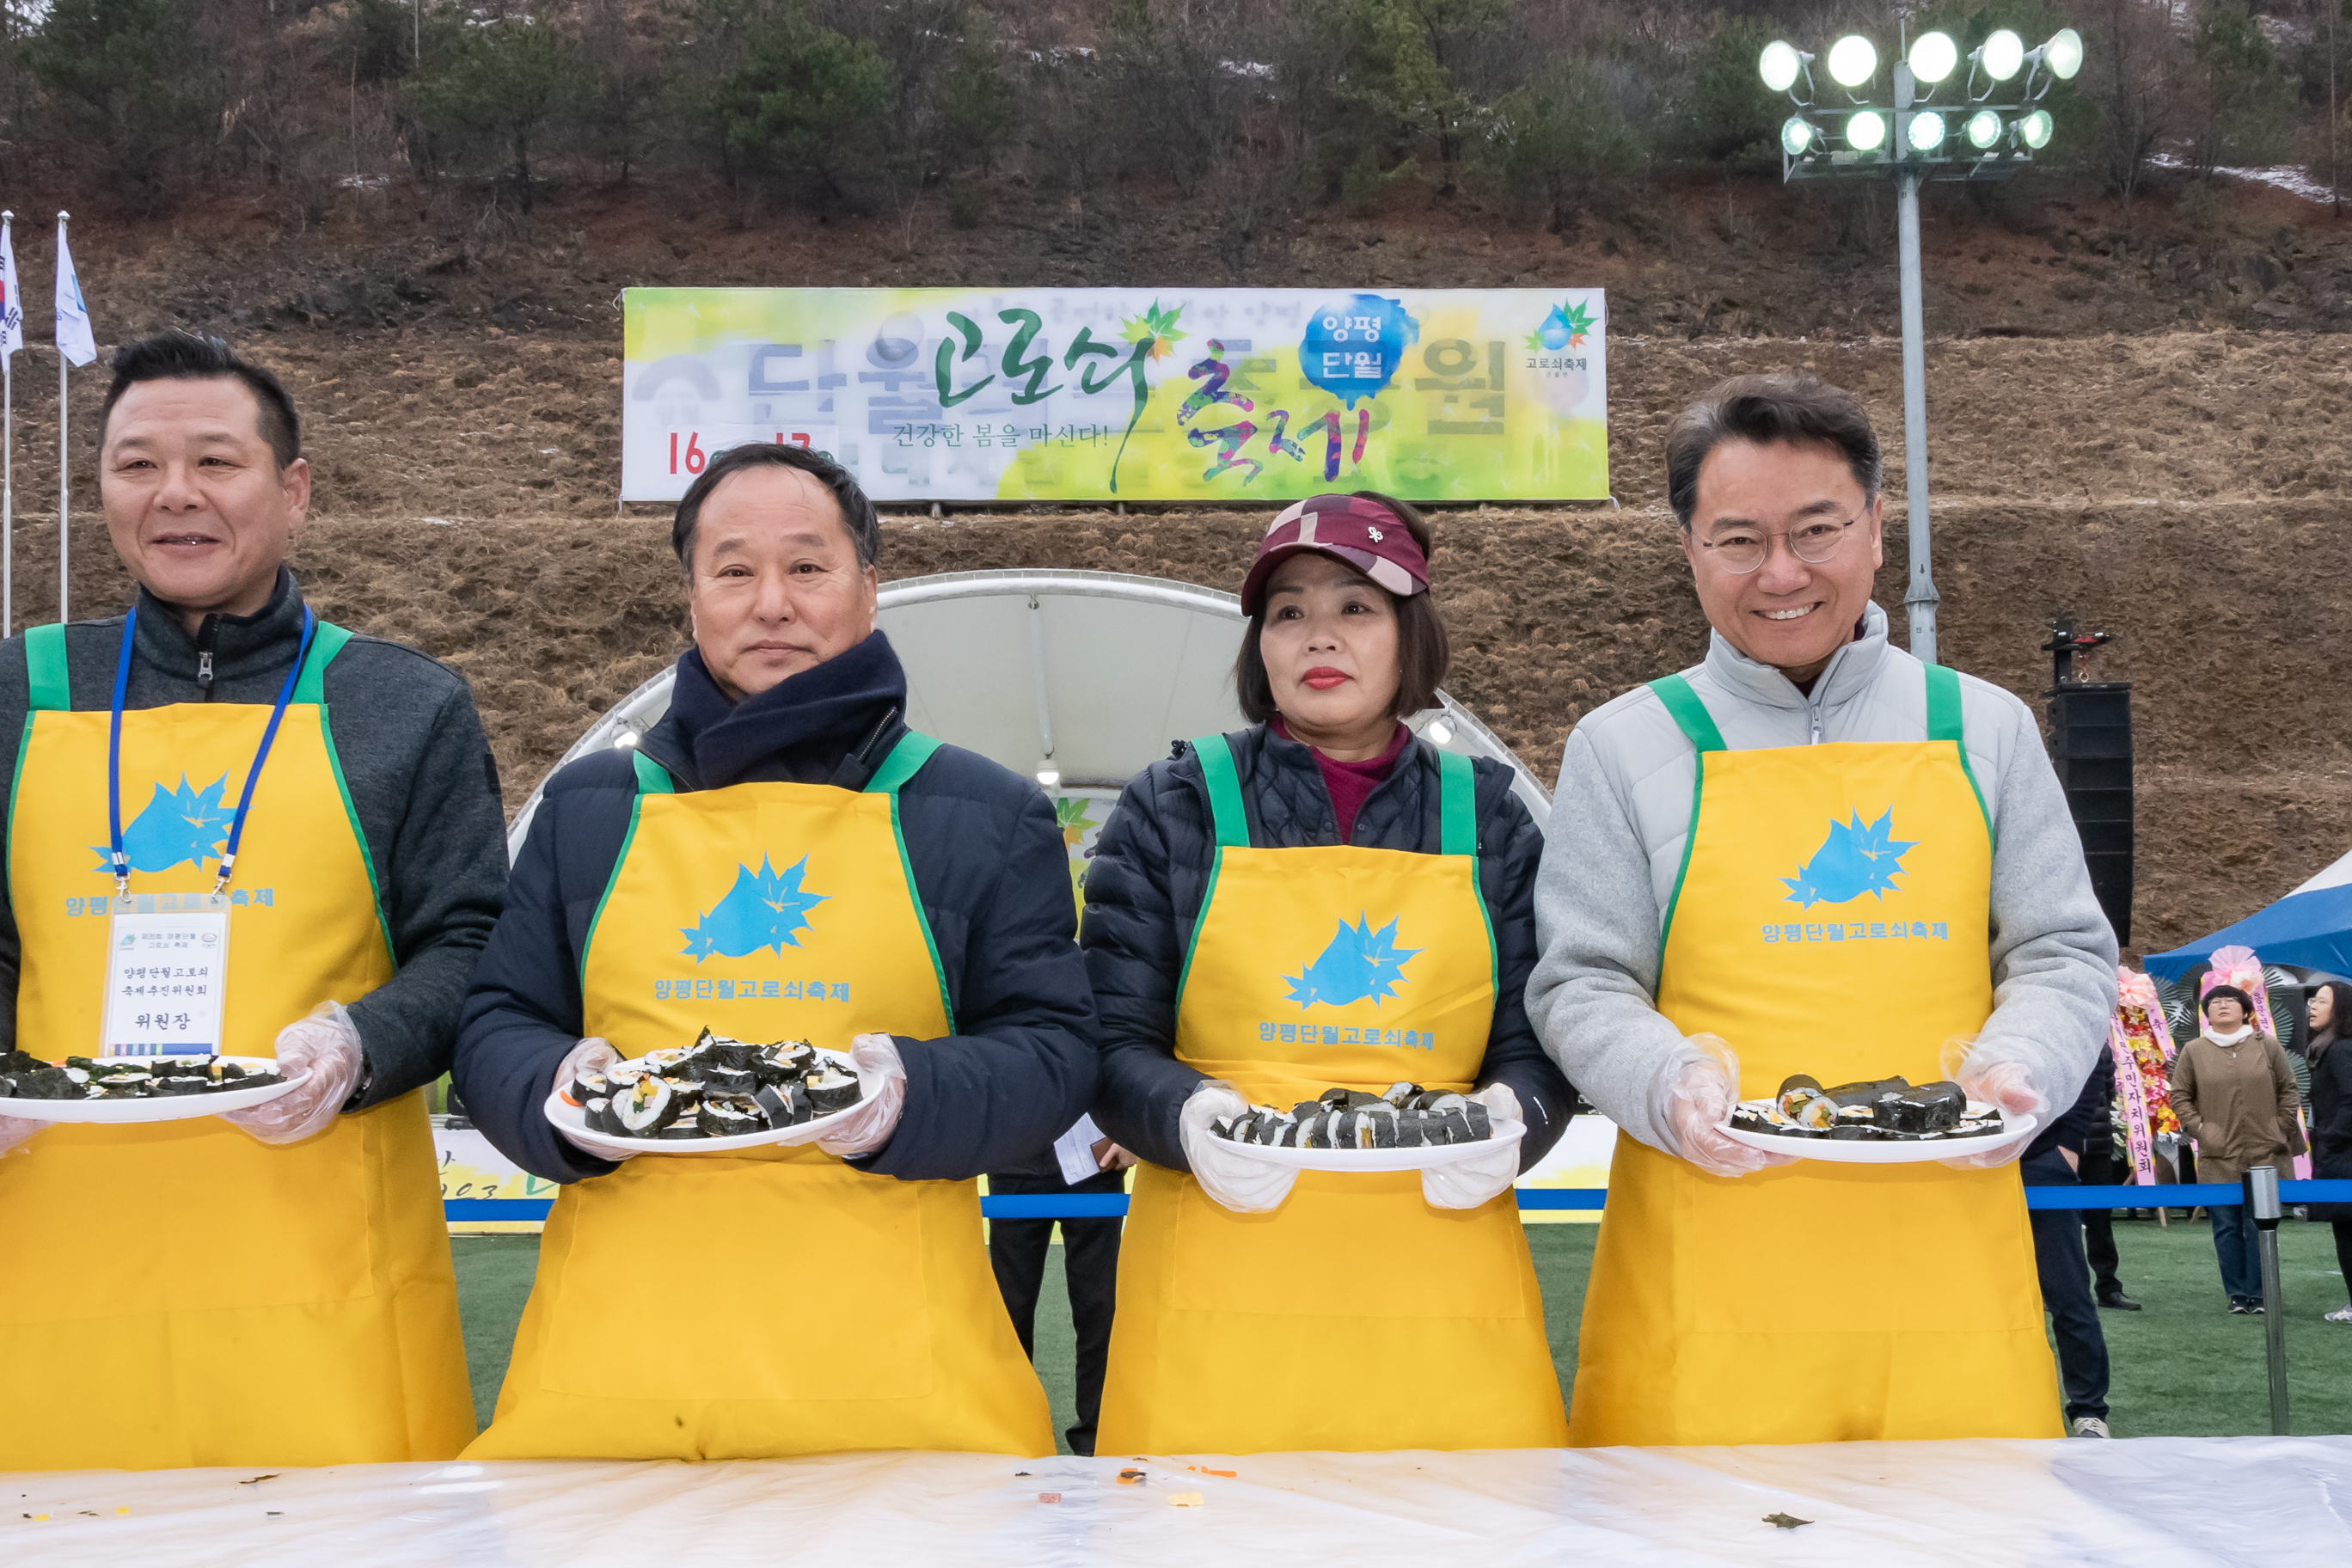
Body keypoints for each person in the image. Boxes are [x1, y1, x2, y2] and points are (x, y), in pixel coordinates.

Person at [452, 440, 1093, 1460]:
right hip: (614, 1385)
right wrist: (555, 1090)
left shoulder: (979, 810)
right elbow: (495, 1021)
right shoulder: (594, 808)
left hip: (899, 1390)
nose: (771, 604)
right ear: (692, 600)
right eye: (734, 570)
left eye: (807, 567)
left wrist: (911, 1093)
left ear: (869, 591)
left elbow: (1057, 1047)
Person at [1528, 374, 2119, 1446]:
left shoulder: (1980, 728)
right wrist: (1669, 1086)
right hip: (1705, 1289)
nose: (1784, 573)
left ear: (1878, 529)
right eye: (1740, 539)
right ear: (1689, 551)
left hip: (1948, 1280)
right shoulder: (1623, 744)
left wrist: (2021, 1063)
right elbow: (1581, 980)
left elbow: (2063, 951)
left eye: (1817, 530)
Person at [0, 332, 505, 1468]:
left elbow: (474, 940)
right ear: (102, 490)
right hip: (56, 1259)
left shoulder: (402, 702)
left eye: (216, 463)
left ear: (294, 491)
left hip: (328, 1274)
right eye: (138, 466)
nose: (175, 495)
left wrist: (358, 1042)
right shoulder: (21, 690)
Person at [1087, 492, 1577, 1455]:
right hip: (1219, 1297)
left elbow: (1538, 1038)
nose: (1322, 636)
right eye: (1289, 612)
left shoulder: (1488, 817)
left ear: (1410, 634)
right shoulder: (1172, 805)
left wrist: (1520, 1117)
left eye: (1356, 607)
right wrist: (1186, 1118)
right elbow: (1108, 1041)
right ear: (1258, 646)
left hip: (1443, 1286)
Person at [985, 1114, 1133, 1455]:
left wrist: (1135, 1134)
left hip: (1098, 1161)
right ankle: (1010, 1434)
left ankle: (1097, 1441)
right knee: (1010, 1310)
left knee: (1099, 1309)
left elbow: (1127, 1062)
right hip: (1014, 1159)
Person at [2172, 983, 2306, 1313]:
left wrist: (2281, 1126)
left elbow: (2288, 1089)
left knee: (2259, 1222)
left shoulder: (2267, 1046)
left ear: (2246, 1010)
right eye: (2215, 1002)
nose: (2222, 1005)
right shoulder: (2194, 1050)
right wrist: (2202, 1130)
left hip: (2266, 1149)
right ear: (2207, 1014)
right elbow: (2180, 1096)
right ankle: (2236, 1294)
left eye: (2231, 1000)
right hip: (2219, 1153)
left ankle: (2260, 1295)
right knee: (2226, 1225)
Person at [2022, 1052, 2116, 1437]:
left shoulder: (2057, 1000)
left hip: (2044, 1156)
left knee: (2067, 1289)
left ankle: (2089, 1411)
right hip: (1967, 1154)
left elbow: (2092, 1056)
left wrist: (2069, 1145)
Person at [2306, 980, 2352, 1322]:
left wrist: (2331, 1135)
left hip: (2343, 1157)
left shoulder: (2340, 1050)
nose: (2312, 1005)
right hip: (2336, 1152)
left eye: (2321, 1001)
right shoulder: (2327, 1047)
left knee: (2347, 1233)